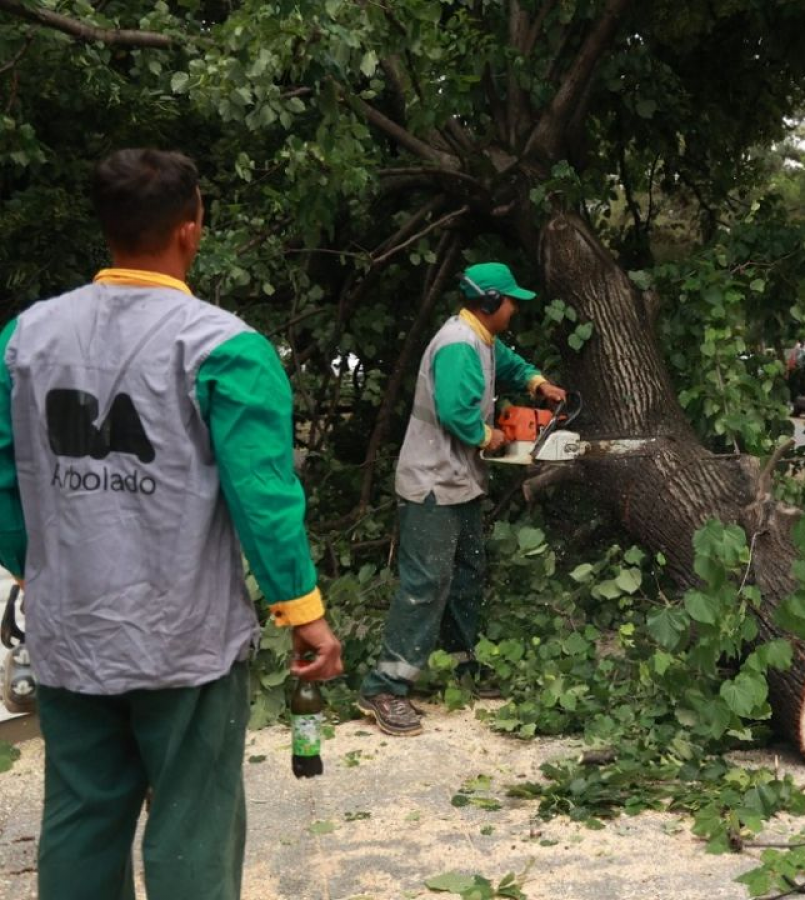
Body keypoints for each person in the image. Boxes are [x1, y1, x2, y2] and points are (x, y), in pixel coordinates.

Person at [0, 148, 342, 900]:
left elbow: (3, 473)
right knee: (192, 825)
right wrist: (304, 613)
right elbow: (264, 497)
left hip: (70, 632)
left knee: (83, 817)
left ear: (107, 226)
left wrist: (37, 563)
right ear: (192, 228)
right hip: (183, 641)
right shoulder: (225, 348)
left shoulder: (24, 339)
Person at [357, 262, 565, 736]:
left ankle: (461, 665)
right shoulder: (456, 344)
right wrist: (488, 435)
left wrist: (537, 384)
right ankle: (383, 686)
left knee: (468, 572)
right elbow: (455, 410)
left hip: (461, 481)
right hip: (432, 481)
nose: (515, 308)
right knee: (427, 582)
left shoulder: (482, 339)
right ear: (490, 301)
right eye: (510, 301)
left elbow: (509, 364)